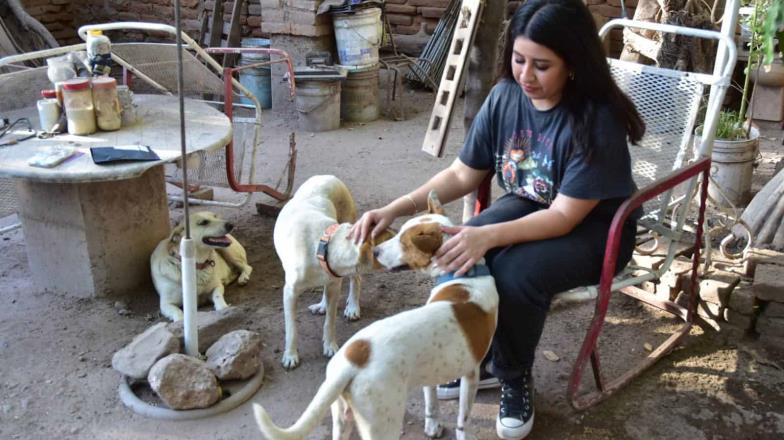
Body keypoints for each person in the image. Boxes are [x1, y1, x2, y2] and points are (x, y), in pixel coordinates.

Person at [350, 0, 645, 438]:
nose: (525, 76)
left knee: (516, 272)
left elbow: (564, 217)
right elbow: (462, 173)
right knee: (455, 243)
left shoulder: (595, 119)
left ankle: (512, 375)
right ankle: (470, 354)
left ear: (574, 64)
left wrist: (487, 236)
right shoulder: (506, 95)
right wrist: (395, 208)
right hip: (533, 205)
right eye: (519, 59)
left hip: (595, 228)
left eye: (542, 66)